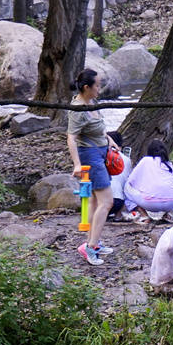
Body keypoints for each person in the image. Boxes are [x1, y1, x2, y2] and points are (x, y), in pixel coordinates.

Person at [67, 69, 119, 265]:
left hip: (101, 152)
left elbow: (99, 128)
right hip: (89, 156)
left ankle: (92, 242)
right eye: (96, 85)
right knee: (107, 202)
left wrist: (109, 139)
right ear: (86, 87)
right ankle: (90, 247)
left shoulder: (92, 103)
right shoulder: (78, 109)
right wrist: (77, 164)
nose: (100, 88)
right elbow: (71, 138)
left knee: (97, 202)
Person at [123, 140, 173, 221]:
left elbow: (131, 180)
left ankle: (144, 215)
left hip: (149, 203)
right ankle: (168, 213)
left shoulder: (145, 160)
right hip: (172, 203)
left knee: (127, 186)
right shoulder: (168, 163)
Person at [106, 131, 133, 221]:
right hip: (116, 202)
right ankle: (118, 215)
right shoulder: (126, 160)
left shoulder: (99, 157)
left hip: (94, 202)